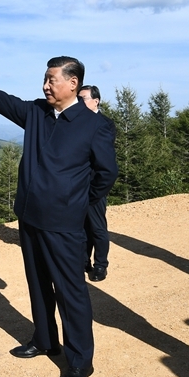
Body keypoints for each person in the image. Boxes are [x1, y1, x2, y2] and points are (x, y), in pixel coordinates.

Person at [0, 57, 117, 377]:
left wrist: (76, 202)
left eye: (51, 80)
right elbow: (8, 103)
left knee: (70, 291)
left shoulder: (94, 125)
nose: (45, 86)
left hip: (64, 223)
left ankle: (80, 361)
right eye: (45, 79)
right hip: (30, 218)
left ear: (72, 83)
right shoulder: (38, 113)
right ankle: (44, 340)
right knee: (38, 284)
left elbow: (106, 173)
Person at [78, 84, 115, 282]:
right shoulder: (76, 122)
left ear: (96, 101)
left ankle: (101, 265)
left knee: (97, 227)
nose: (79, 102)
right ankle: (84, 261)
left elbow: (103, 161)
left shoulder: (105, 124)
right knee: (81, 226)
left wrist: (96, 189)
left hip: (94, 184)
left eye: (83, 98)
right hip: (77, 184)